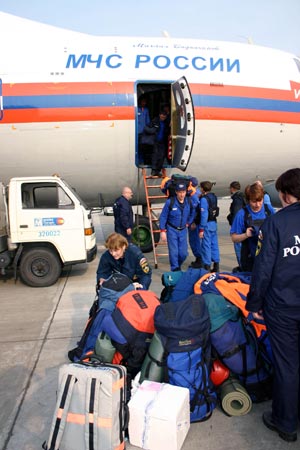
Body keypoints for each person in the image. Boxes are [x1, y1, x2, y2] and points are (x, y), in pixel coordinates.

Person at [246, 168, 300, 443]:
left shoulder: (275, 224)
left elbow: (263, 269)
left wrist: (254, 303)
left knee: (287, 364)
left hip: (284, 308)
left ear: (284, 194)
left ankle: (286, 422)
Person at [230, 182, 274, 272]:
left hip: (267, 256)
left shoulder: (268, 210)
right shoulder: (242, 214)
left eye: (260, 200)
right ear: (248, 200)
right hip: (250, 258)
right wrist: (245, 235)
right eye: (254, 201)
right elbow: (234, 238)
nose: (257, 205)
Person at [160, 183, 195, 271]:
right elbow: (163, 216)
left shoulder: (189, 202)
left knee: (183, 253)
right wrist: (162, 231)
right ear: (176, 192)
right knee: (174, 252)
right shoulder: (170, 202)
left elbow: (193, 212)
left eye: (183, 192)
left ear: (186, 192)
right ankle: (175, 269)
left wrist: (188, 223)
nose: (182, 194)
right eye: (179, 192)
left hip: (183, 230)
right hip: (172, 230)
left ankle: (178, 265)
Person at [198, 181, 220, 272]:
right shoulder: (214, 197)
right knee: (214, 244)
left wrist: (201, 228)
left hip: (206, 224)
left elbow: (204, 215)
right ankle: (216, 265)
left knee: (206, 245)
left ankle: (207, 265)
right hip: (213, 223)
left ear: (203, 189)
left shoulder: (204, 199)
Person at [226, 181, 246, 269]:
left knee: (238, 248)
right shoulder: (242, 197)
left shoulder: (237, 199)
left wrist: (233, 227)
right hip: (243, 227)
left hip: (238, 228)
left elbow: (236, 215)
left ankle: (242, 267)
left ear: (232, 188)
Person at [188, 177, 203, 268]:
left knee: (195, 241)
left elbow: (194, 209)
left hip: (194, 222)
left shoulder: (193, 194)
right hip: (196, 221)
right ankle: (200, 259)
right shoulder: (198, 193)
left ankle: (199, 259)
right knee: (197, 241)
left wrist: (192, 221)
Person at [147, 110, 169, 176]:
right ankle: (153, 170)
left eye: (164, 116)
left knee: (162, 156)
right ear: (159, 115)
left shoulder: (166, 123)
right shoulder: (155, 121)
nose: (163, 117)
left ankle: (158, 170)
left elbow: (167, 131)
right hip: (155, 141)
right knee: (155, 155)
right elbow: (147, 128)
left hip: (162, 142)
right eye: (162, 115)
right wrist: (152, 130)